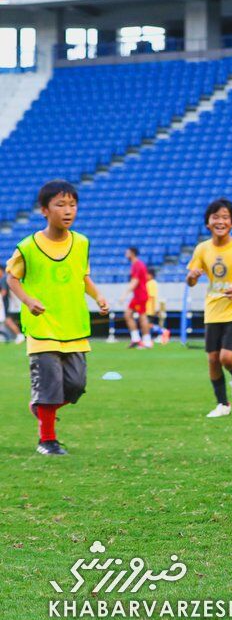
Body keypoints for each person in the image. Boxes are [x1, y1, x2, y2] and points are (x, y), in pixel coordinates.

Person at [6, 180, 109, 456]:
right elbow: (12, 278)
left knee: (76, 386)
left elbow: (83, 276)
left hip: (73, 325)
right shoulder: (28, 247)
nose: (68, 210)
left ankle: (40, 407)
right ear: (44, 210)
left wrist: (98, 297)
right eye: (60, 204)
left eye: (72, 204)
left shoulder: (82, 243)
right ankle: (47, 440)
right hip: (42, 328)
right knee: (50, 384)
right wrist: (28, 301)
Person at [186, 199, 232, 419]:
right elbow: (190, 280)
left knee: (226, 357)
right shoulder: (202, 249)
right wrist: (191, 277)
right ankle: (223, 404)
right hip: (213, 308)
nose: (220, 221)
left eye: (225, 217)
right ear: (208, 223)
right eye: (216, 217)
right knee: (212, 359)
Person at [123, 246, 152, 349]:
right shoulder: (136, 264)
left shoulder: (137, 265)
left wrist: (124, 294)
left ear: (132, 253)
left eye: (127, 252)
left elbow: (135, 281)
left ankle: (147, 341)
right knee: (128, 314)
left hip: (140, 295)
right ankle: (136, 339)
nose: (126, 254)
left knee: (142, 317)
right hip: (138, 295)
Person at [146, 268, 170, 344]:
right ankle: (149, 339)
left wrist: (155, 309)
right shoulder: (149, 283)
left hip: (149, 308)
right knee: (148, 325)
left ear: (150, 275)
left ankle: (163, 331)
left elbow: (152, 297)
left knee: (148, 325)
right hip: (147, 308)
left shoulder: (152, 283)